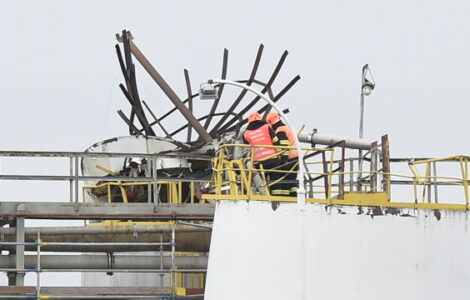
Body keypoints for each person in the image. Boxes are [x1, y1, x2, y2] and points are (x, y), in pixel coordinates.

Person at [243, 111, 283, 196]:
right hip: (272, 158)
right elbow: (275, 140)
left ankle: (260, 197)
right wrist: (281, 154)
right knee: (275, 179)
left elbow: (246, 146)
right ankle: (277, 197)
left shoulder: (246, 133)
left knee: (259, 181)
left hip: (258, 161)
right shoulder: (266, 127)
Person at [266, 112, 299, 196]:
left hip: (289, 160)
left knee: (284, 180)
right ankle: (293, 197)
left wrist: (282, 160)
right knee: (291, 181)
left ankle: (283, 199)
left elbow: (284, 147)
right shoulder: (287, 128)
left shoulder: (280, 130)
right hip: (295, 159)